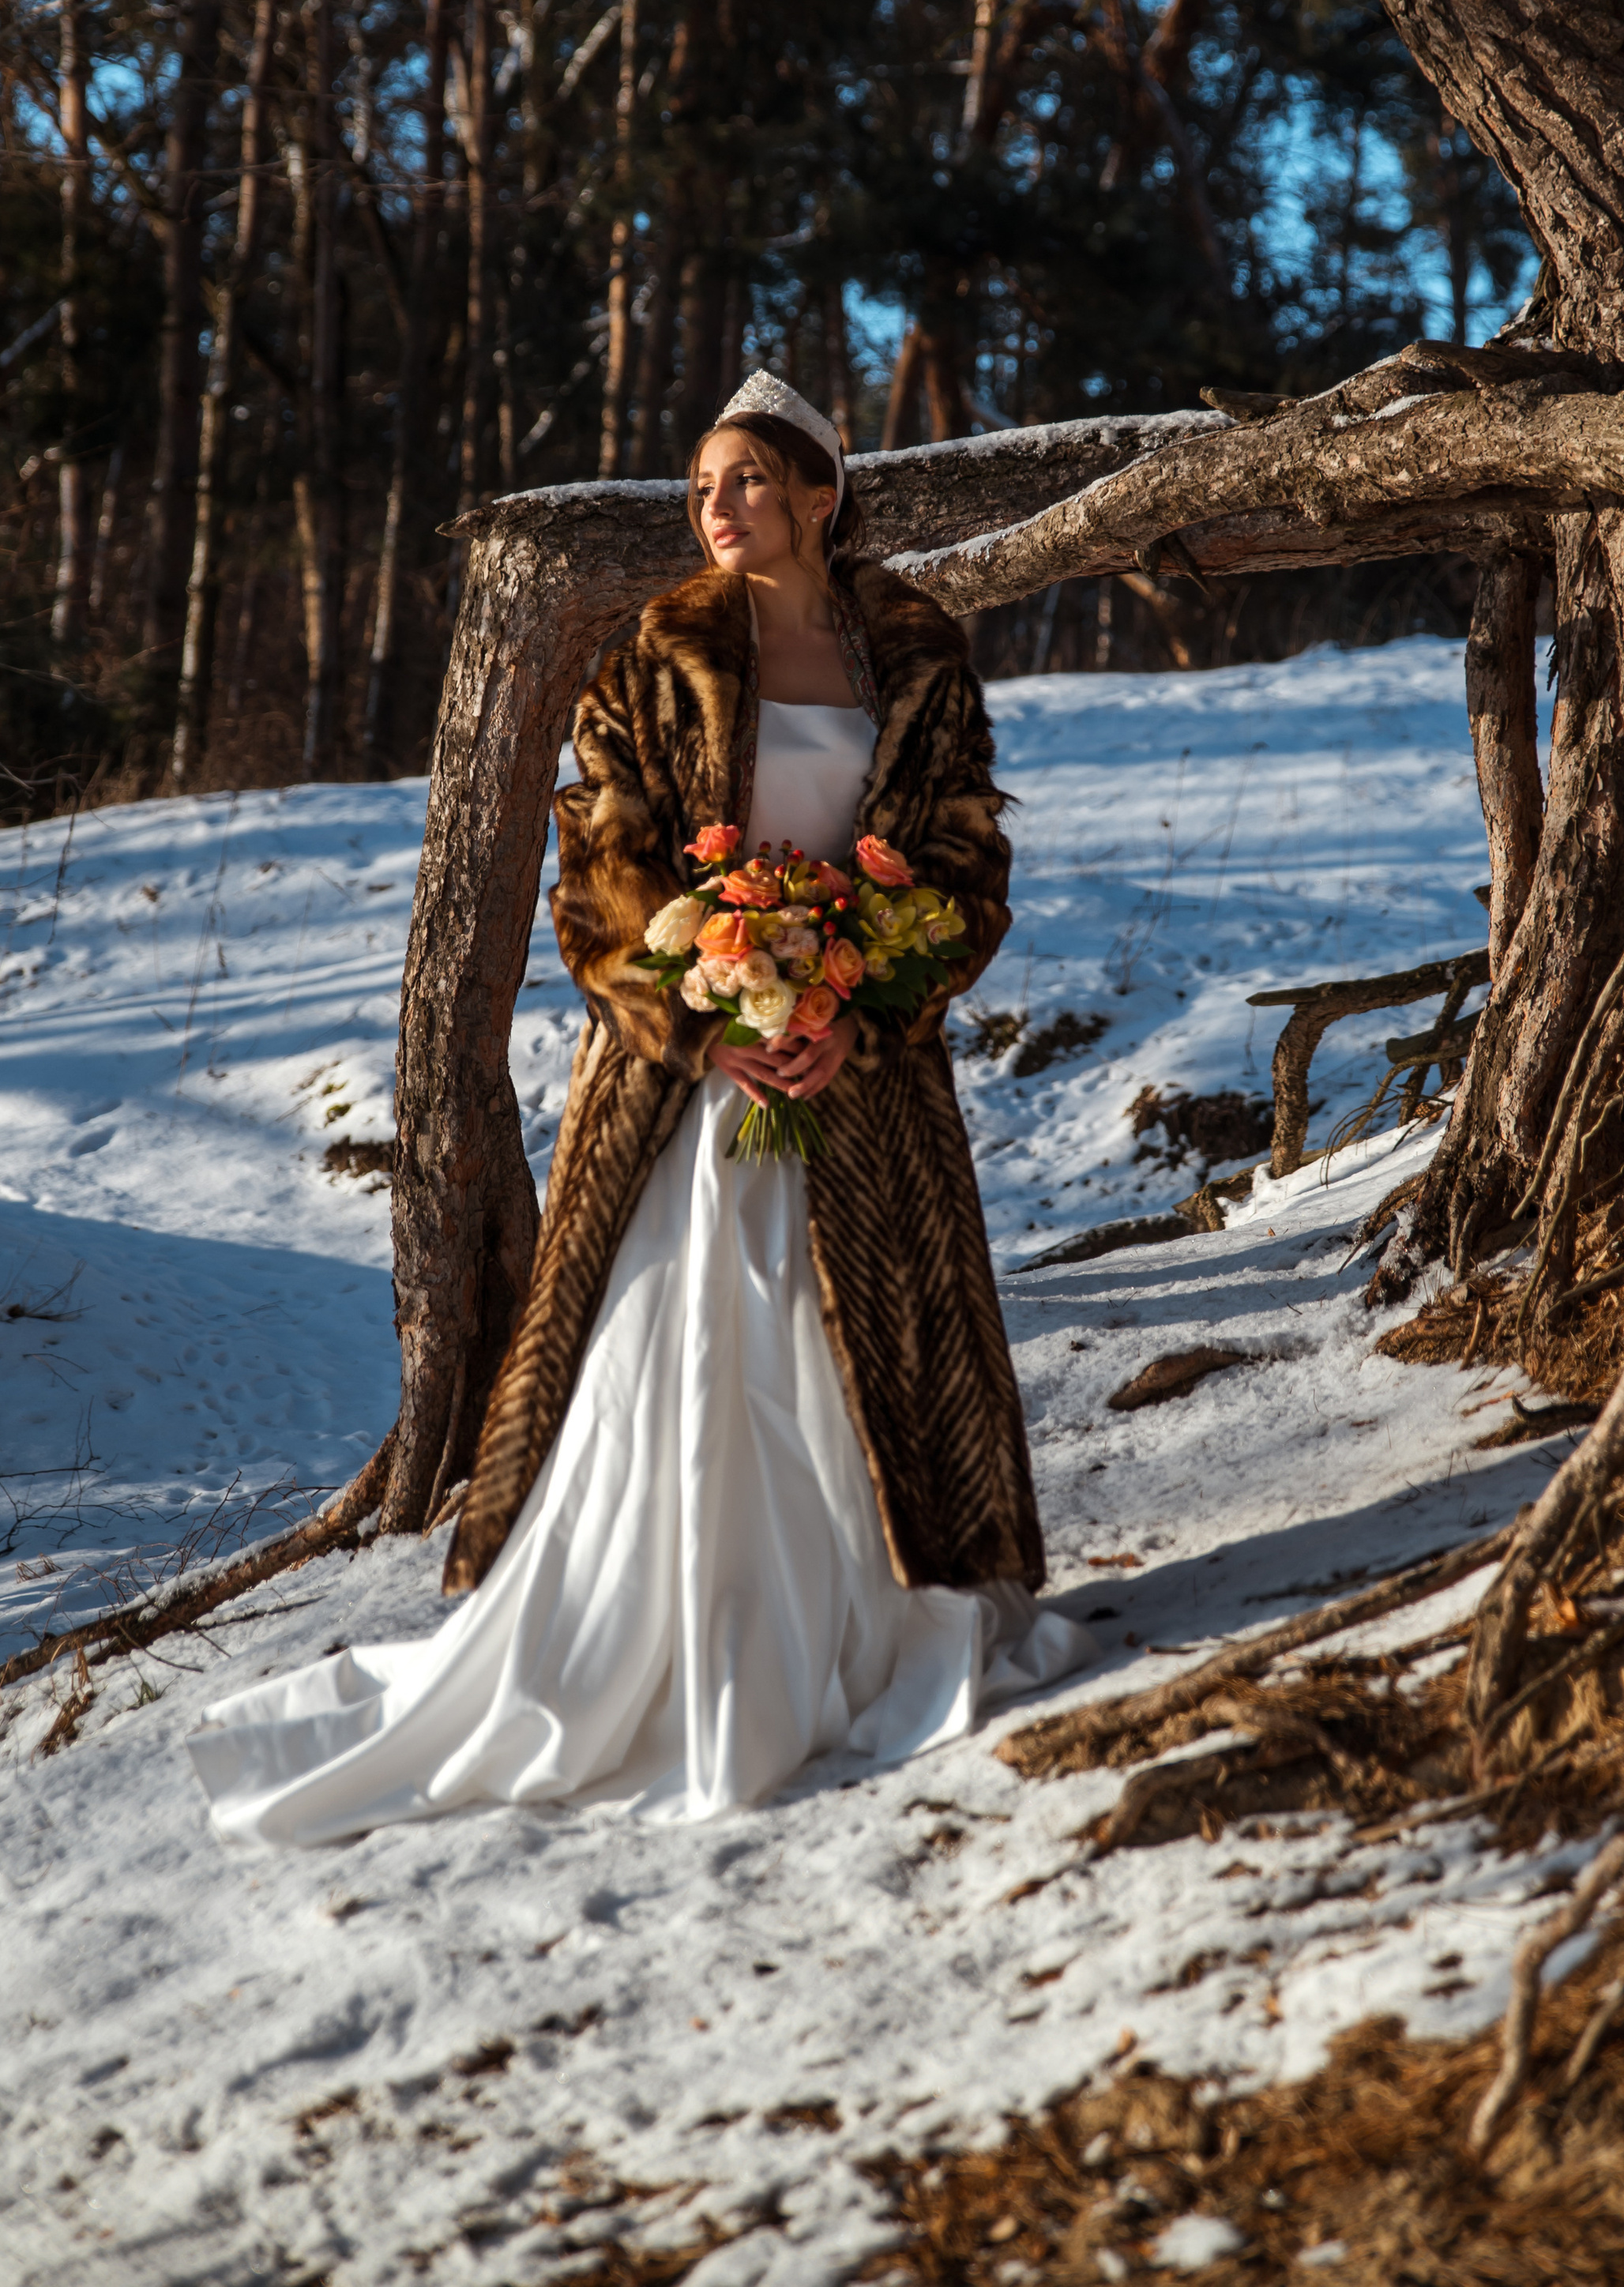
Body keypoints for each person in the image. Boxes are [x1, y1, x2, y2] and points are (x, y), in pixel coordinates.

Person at [188, 371, 1094, 1844]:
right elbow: (599, 875)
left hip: (865, 1074)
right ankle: (663, 1634)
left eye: (744, 482)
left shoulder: (918, 655)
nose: (717, 510)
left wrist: (857, 1013)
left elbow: (960, 859)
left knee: (869, 1341)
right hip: (690, 1079)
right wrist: (713, 1013)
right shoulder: (652, 656)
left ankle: (876, 1620)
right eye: (698, 491)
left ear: (818, 494)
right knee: (694, 1337)